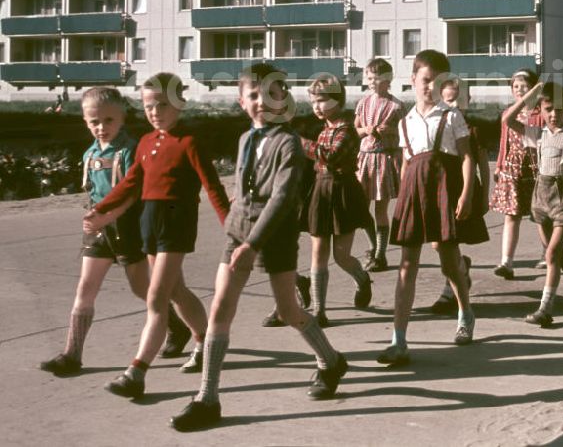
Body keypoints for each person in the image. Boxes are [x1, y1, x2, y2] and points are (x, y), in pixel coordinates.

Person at [170, 64, 348, 431]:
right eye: (253, 95)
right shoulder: (245, 138)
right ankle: (207, 398)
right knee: (221, 305)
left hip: (274, 234)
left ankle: (330, 360)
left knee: (287, 309)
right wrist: (236, 227)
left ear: (284, 101)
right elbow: (243, 189)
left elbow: (282, 197)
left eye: (270, 95)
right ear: (241, 101)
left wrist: (253, 244)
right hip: (239, 231)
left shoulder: (289, 143)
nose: (261, 102)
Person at [85, 72, 230, 399]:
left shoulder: (189, 142)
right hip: (149, 222)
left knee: (156, 296)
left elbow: (213, 187)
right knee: (176, 290)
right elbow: (130, 183)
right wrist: (101, 209)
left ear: (179, 103)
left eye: (162, 104)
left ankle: (136, 372)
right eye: (149, 105)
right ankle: (206, 341)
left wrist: (231, 229)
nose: (155, 112)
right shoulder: (147, 143)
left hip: (176, 224)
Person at [40, 87, 190, 377]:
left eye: (109, 120)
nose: (101, 127)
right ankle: (72, 354)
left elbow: (133, 192)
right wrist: (94, 216)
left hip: (127, 227)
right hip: (98, 228)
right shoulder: (90, 153)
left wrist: (107, 215)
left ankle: (176, 327)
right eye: (94, 121)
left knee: (141, 288)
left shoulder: (131, 150)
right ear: (85, 120)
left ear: (122, 118)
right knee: (85, 287)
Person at [377, 50, 483, 366]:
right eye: (425, 81)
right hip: (414, 192)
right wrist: (402, 200)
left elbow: (466, 157)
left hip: (443, 191)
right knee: (406, 265)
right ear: (413, 80)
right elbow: (407, 162)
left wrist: (466, 194)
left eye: (437, 82)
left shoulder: (451, 116)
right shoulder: (406, 121)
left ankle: (465, 310)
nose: (430, 88)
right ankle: (398, 340)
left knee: (449, 262)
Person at [502, 82, 563, 327]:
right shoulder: (538, 134)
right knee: (555, 251)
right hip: (541, 198)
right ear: (541, 110)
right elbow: (507, 119)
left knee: (551, 253)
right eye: (548, 109)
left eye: (559, 109)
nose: (554, 114)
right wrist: (530, 94)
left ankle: (545, 308)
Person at [303, 74, 374, 327]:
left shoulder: (347, 130)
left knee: (341, 256)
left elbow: (331, 157)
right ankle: (319, 309)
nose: (316, 107)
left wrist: (301, 144)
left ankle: (362, 278)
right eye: (313, 101)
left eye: (322, 101)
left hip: (343, 192)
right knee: (317, 254)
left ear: (337, 100)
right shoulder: (323, 130)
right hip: (322, 192)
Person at [426, 75, 489, 315]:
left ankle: (449, 291)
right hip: (442, 189)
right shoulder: (440, 125)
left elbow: (481, 164)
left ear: (468, 100)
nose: (453, 106)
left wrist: (482, 197)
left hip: (466, 189)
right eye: (448, 101)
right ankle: (462, 268)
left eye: (457, 100)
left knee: (447, 244)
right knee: (436, 243)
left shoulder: (473, 128)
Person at [490, 68, 543, 279]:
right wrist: (499, 165)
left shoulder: (540, 113)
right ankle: (507, 262)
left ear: (533, 89)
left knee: (541, 217)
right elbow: (505, 142)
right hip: (512, 169)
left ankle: (548, 254)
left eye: (525, 86)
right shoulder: (508, 112)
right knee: (511, 216)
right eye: (516, 86)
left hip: (534, 169)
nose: (520, 90)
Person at [354, 58, 404, 272]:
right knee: (360, 208)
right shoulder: (363, 102)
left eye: (376, 78)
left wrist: (389, 131)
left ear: (387, 80)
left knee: (380, 209)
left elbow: (403, 134)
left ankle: (380, 254)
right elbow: (355, 130)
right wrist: (366, 130)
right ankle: (373, 248)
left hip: (383, 158)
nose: (371, 82)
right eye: (369, 78)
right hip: (364, 159)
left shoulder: (396, 105)